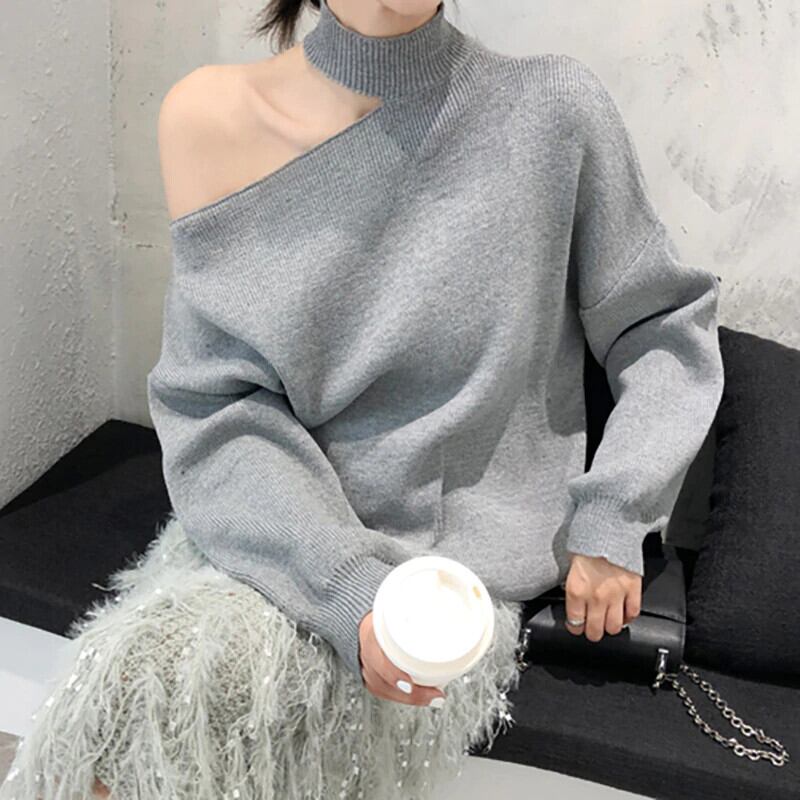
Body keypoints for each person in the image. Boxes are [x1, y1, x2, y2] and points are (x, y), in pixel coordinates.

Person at [0, 1, 724, 798]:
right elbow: (218, 407)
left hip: (448, 584)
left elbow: (663, 327)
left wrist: (616, 511)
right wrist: (346, 587)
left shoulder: (551, 112)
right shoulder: (211, 117)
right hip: (271, 537)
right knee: (127, 715)